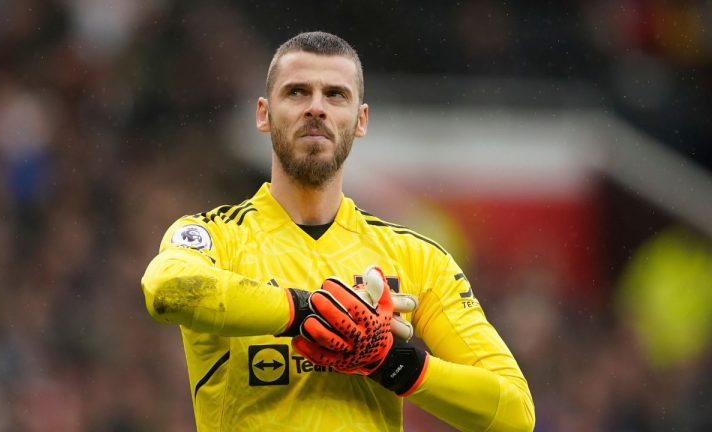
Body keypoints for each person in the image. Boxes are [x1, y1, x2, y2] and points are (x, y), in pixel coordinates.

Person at [141, 31, 534, 432]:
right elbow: (166, 289)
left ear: (360, 120)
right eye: (296, 93)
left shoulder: (417, 257)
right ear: (263, 114)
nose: (316, 108)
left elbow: (514, 414)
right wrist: (305, 312)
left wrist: (390, 362)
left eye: (335, 95)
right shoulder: (217, 237)